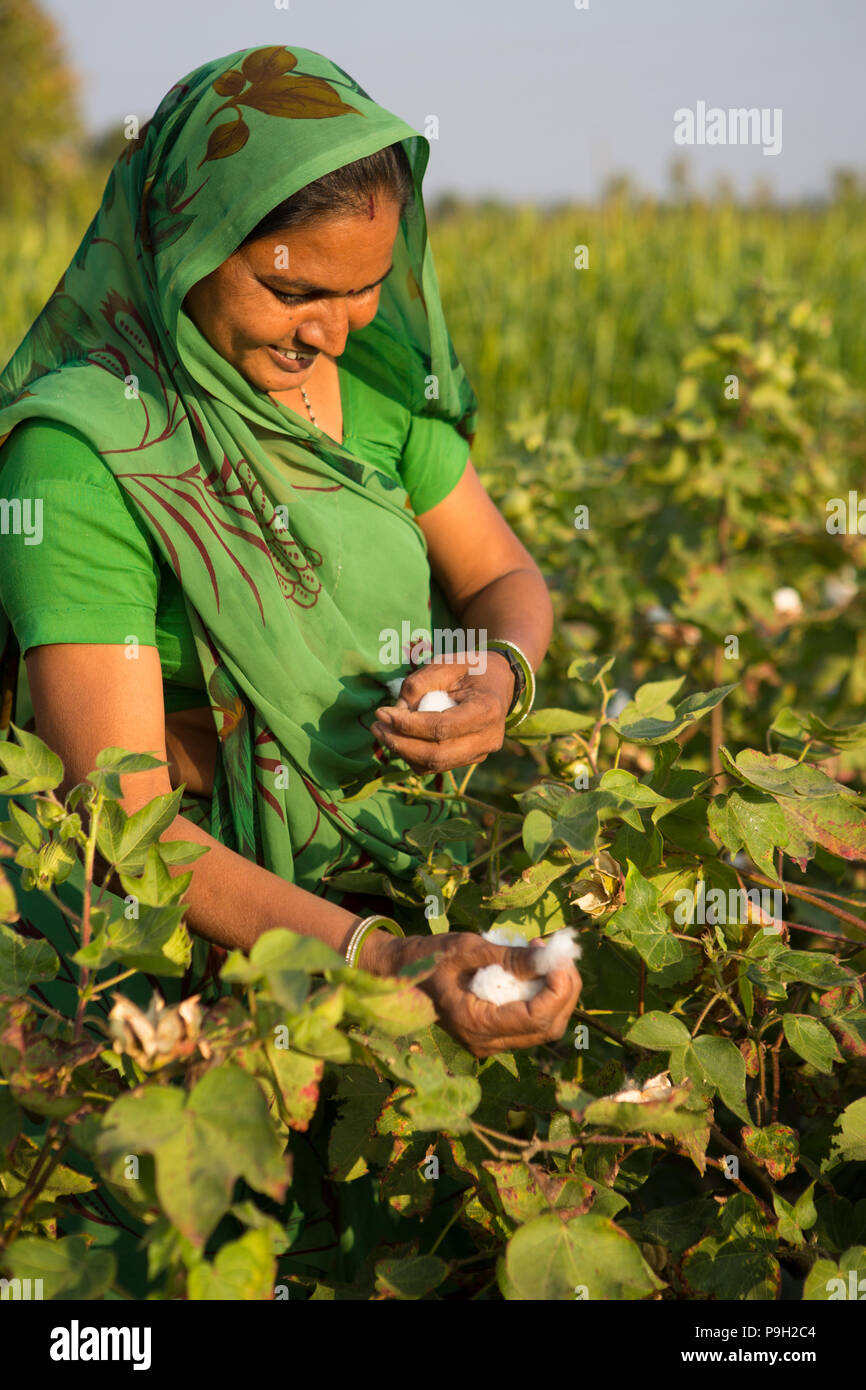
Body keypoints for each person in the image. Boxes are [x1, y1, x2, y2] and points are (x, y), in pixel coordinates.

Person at [0, 44, 581, 1062]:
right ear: (183, 243)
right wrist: (380, 957)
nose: (335, 332)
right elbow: (123, 819)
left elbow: (501, 575)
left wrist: (501, 671)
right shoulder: (82, 454)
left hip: (384, 898)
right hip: (161, 976)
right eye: (295, 291)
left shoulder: (379, 403)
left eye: (363, 290)